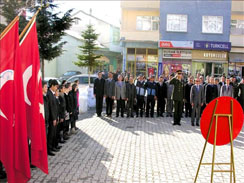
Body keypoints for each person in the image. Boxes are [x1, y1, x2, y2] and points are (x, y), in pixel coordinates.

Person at [46, 79, 59, 156]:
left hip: (54, 117)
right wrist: (53, 118)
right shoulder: (49, 94)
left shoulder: (52, 93)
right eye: (56, 86)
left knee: (53, 134)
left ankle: (52, 147)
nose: (57, 88)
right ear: (52, 86)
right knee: (50, 135)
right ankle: (49, 149)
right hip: (51, 118)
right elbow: (50, 107)